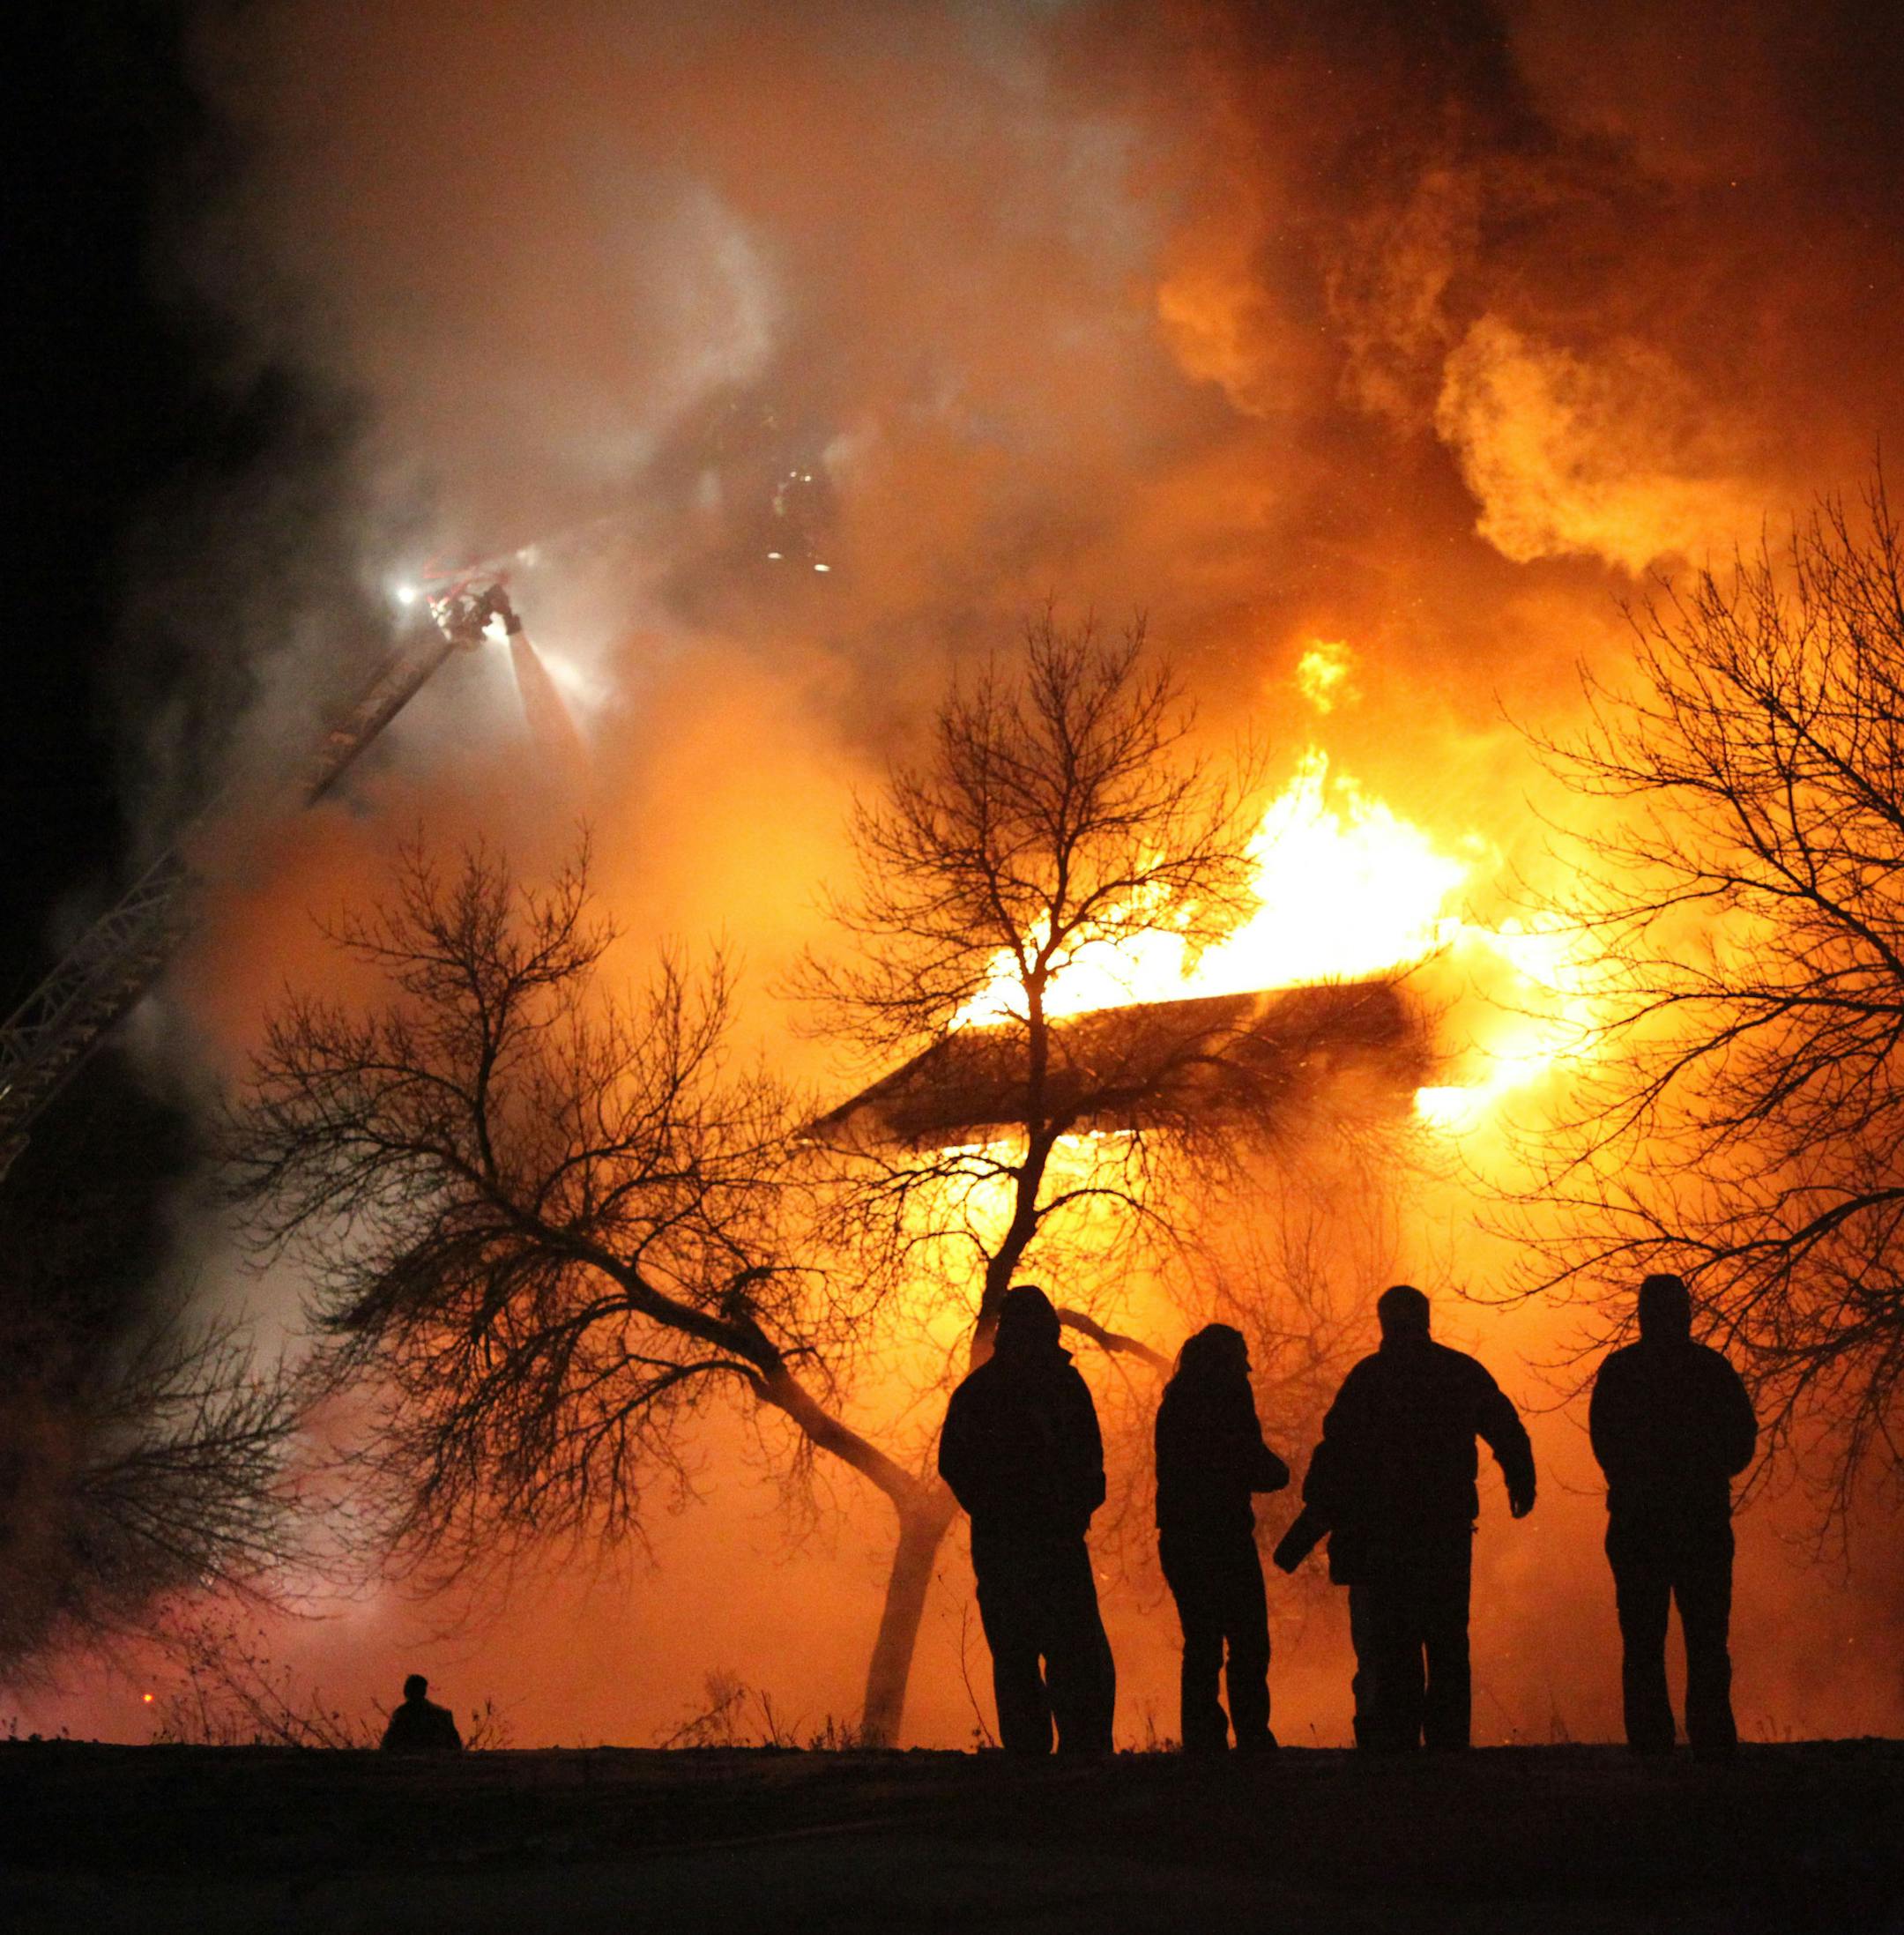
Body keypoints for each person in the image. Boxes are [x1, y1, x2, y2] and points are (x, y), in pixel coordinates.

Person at [1279, 1284, 1535, 1752]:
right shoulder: (1459, 1371)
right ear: (1425, 1319)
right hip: (1445, 1534)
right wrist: (1522, 1480)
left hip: (1384, 1540)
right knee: (1447, 1643)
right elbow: (1505, 1427)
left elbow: (1335, 1457)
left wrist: (1314, 1520)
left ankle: (1398, 1749)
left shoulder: (1368, 1379)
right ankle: (1448, 1748)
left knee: (1395, 1646)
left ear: (1383, 1322)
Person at [938, 1284, 1116, 1755]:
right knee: (1067, 1651)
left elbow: (954, 1464)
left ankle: (1032, 1758)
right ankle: (1079, 1756)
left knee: (1022, 1655)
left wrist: (992, 1510)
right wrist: (1073, 1507)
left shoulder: (979, 1392)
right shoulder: (1062, 1387)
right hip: (1047, 1543)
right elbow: (1090, 1460)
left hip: (1011, 1545)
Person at [1589, 1272, 1757, 1760]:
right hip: (1701, 1521)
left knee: (1643, 1638)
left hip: (1638, 1523)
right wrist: (1709, 1473)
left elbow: (1603, 1439)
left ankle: (1650, 1741)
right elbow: (1742, 1439)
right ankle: (1711, 1736)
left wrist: (1631, 1478)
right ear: (1686, 1313)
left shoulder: (1621, 1370)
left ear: (1642, 1314)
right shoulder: (1711, 1369)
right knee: (1706, 1636)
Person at [1154, 1323, 1290, 1754]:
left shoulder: (1176, 1401)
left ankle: (1204, 1740)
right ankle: (1252, 1734)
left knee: (1202, 1643)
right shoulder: (1229, 1397)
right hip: (1224, 1537)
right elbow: (1247, 1461)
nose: (1248, 1367)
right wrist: (1279, 1473)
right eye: (1242, 1358)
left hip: (1181, 1538)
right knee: (1248, 1641)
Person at [379, 1673, 463, 1752]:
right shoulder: (442, 1714)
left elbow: (387, 1744)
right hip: (436, 1759)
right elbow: (456, 1746)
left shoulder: (401, 1715)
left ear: (406, 1692)